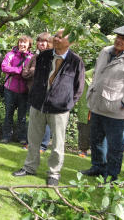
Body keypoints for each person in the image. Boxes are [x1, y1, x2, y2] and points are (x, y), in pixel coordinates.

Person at [12, 29, 85, 186]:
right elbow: (37, 79)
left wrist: (67, 104)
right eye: (56, 36)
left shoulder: (75, 61)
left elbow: (79, 88)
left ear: (70, 42)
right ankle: (29, 167)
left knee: (58, 144)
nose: (56, 39)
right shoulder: (44, 56)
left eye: (60, 37)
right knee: (33, 140)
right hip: (38, 105)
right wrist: (35, 96)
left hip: (60, 109)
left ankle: (54, 173)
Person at [80, 24, 124, 182]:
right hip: (97, 105)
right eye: (117, 37)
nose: (118, 40)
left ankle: (112, 175)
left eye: (123, 38)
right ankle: (98, 167)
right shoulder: (105, 51)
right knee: (96, 140)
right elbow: (97, 73)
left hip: (117, 110)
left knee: (115, 146)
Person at [22, 32, 53, 152]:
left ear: (49, 43)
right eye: (39, 41)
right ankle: (30, 143)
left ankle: (43, 145)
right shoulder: (34, 57)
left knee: (45, 120)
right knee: (33, 120)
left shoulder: (52, 57)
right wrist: (34, 71)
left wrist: (34, 71)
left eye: (44, 41)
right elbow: (24, 73)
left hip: (47, 93)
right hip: (34, 92)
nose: (41, 43)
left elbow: (50, 75)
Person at [0, 36, 33, 144]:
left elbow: (32, 72)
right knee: (8, 114)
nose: (22, 45)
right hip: (10, 89)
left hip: (24, 91)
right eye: (20, 42)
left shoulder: (31, 57)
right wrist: (18, 70)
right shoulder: (10, 55)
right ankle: (6, 136)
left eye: (25, 43)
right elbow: (4, 67)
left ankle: (22, 137)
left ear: (29, 45)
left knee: (22, 116)